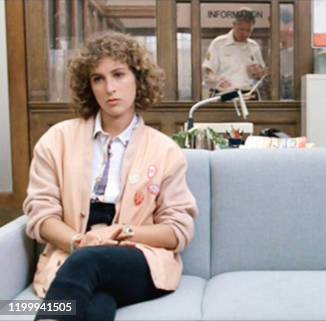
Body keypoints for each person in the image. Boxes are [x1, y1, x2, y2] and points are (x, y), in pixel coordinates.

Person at [24, 31, 198, 321]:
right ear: (88, 86)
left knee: (90, 262)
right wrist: (79, 242)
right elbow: (41, 216)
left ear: (138, 80)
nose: (109, 88)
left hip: (139, 260)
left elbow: (177, 231)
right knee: (97, 305)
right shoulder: (56, 140)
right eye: (98, 79)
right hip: (74, 255)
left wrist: (120, 233)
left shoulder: (165, 150)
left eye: (119, 74)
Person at [202, 7, 267, 97]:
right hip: (224, 95)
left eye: (248, 30)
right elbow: (208, 74)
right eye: (241, 29)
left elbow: (262, 76)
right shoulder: (218, 44)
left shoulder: (254, 46)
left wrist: (258, 73)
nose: (245, 34)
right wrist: (218, 81)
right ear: (234, 25)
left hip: (248, 95)